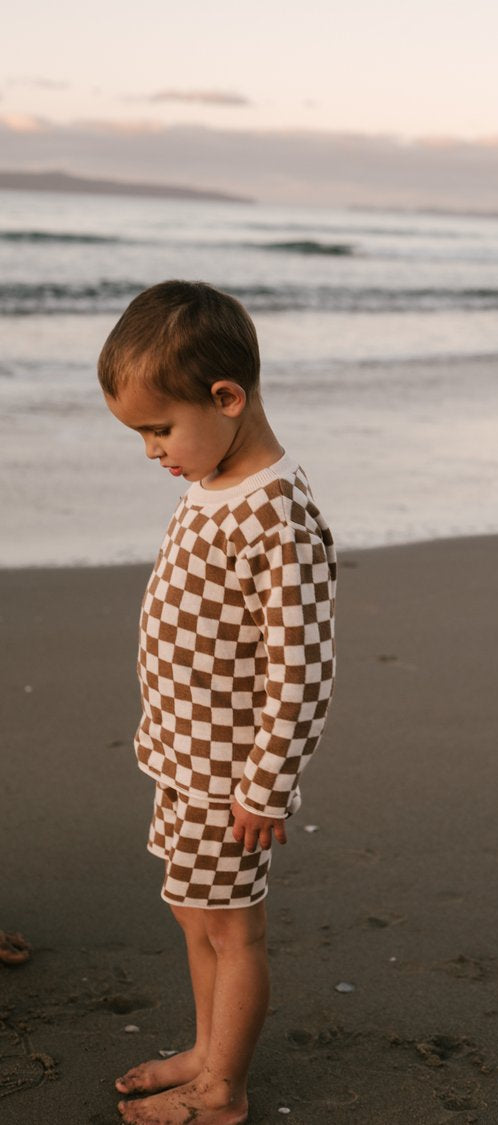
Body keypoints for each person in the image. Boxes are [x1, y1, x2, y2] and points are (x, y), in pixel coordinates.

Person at [98, 280, 337, 1125]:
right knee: (192, 909)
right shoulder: (211, 479)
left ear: (227, 397)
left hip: (231, 780)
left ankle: (223, 1091)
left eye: (161, 428)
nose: (153, 450)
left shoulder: (279, 518)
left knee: (233, 929)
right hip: (182, 757)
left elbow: (303, 668)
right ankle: (206, 1047)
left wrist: (267, 783)